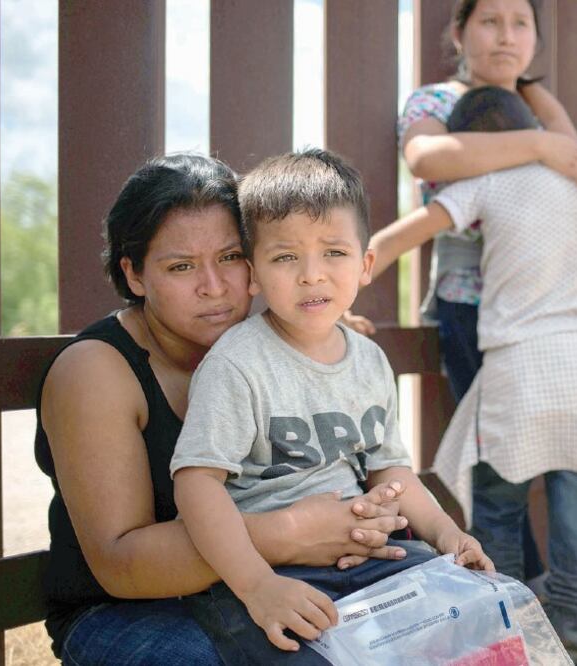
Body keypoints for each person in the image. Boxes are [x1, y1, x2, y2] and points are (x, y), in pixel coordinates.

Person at [34, 154, 410, 665]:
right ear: (135, 274)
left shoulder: (280, 349)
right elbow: (119, 566)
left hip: (271, 583)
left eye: (231, 257)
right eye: (181, 266)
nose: (213, 287)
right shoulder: (96, 371)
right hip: (129, 611)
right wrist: (295, 532)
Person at [170, 149, 493, 662]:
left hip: (370, 557)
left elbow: (390, 469)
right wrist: (256, 587)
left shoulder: (369, 360)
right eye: (284, 257)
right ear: (253, 274)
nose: (311, 275)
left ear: (366, 265)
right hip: (273, 572)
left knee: (474, 623)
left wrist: (448, 534)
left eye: (334, 253)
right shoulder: (238, 363)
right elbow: (196, 483)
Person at [374, 85, 577, 664]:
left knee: (499, 506)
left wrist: (353, 265)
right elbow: (560, 126)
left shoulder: (485, 181)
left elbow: (406, 234)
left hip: (520, 370)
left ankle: (505, 624)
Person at [392, 0, 577, 592]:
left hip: (559, 313)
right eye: (489, 21)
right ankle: (522, 605)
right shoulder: (436, 100)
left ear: (536, 36)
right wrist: (537, 146)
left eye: (520, 23)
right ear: (459, 32)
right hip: (475, 305)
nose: (505, 36)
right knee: (500, 467)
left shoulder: (541, 105)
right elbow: (427, 156)